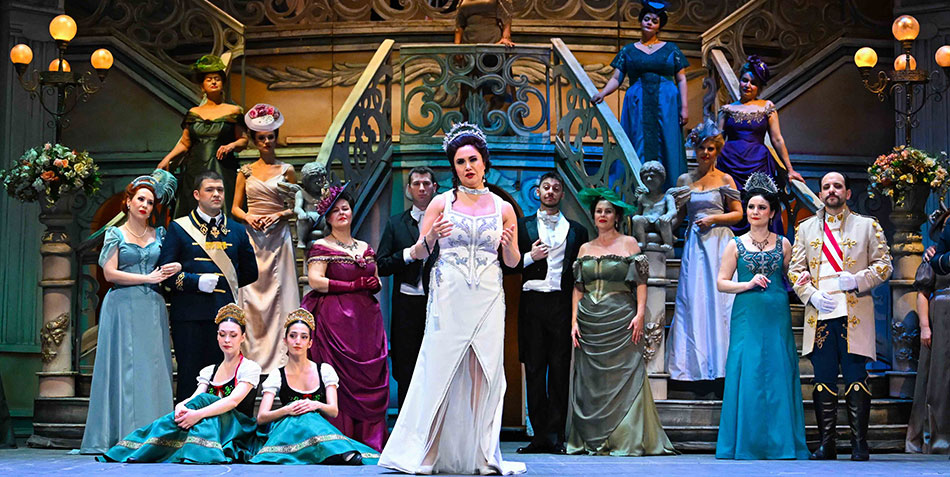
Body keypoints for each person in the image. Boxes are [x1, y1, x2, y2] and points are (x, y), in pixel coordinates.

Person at [379, 122, 524, 474]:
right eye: (460, 162)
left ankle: (482, 454)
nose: (468, 167)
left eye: (473, 159)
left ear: (484, 162)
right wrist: (430, 237)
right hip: (449, 294)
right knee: (440, 368)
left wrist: (508, 246)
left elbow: (512, 262)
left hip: (488, 295)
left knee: (484, 372)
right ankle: (427, 452)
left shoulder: (503, 207)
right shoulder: (441, 203)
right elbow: (418, 252)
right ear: (453, 167)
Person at [788, 171, 892, 461]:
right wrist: (811, 295)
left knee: (856, 378)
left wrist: (858, 280)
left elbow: (885, 265)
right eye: (826, 187)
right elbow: (795, 271)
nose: (831, 190)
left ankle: (859, 444)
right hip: (821, 314)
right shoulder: (805, 228)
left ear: (847, 193)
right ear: (820, 194)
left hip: (853, 312)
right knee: (823, 379)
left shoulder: (867, 225)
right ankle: (827, 444)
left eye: (837, 186)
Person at [566, 187, 675, 457]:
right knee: (592, 381)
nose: (602, 215)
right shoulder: (585, 248)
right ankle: (592, 439)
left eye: (608, 211)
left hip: (621, 318)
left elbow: (641, 282)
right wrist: (574, 321)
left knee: (624, 376)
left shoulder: (629, 243)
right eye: (598, 211)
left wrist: (640, 314)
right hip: (590, 322)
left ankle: (625, 438)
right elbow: (578, 288)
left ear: (616, 216)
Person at [80, 172, 181, 454]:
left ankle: (154, 436)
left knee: (152, 368)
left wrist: (176, 267)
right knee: (124, 367)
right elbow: (109, 273)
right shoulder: (116, 234)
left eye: (149, 202)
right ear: (128, 201)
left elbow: (172, 263)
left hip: (151, 306)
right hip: (123, 305)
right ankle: (123, 435)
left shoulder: (159, 234)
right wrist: (147, 278)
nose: (145, 205)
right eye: (140, 199)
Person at [714, 173, 808, 460]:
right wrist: (748, 284)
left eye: (761, 208)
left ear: (772, 213)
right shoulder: (735, 244)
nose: (755, 212)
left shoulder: (784, 244)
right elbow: (721, 283)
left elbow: (792, 277)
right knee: (749, 371)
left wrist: (803, 279)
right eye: (751, 207)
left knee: (779, 370)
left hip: (776, 313)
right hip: (747, 313)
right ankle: (748, 443)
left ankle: (781, 444)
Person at [101, 304, 262, 464]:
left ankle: (153, 449)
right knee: (196, 407)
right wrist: (181, 406)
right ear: (217, 336)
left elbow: (232, 401)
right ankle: (143, 448)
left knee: (205, 402)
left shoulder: (249, 368)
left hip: (239, 428)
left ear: (242, 337)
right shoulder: (210, 371)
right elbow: (195, 397)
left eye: (233, 335)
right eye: (222, 334)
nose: (227, 340)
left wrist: (198, 414)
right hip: (211, 423)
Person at [157, 170, 259, 403]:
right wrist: (195, 282)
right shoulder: (179, 228)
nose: (216, 194)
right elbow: (164, 274)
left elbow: (250, 273)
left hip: (225, 319)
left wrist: (223, 285)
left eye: (220, 190)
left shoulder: (237, 230)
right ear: (196, 194)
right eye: (210, 190)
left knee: (224, 380)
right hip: (189, 318)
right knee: (189, 379)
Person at [301, 187, 389, 452]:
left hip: (367, 321)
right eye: (336, 210)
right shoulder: (322, 246)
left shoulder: (365, 247)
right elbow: (315, 280)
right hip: (336, 320)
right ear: (328, 217)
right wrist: (352, 286)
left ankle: (371, 440)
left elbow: (377, 281)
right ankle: (340, 438)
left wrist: (374, 284)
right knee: (338, 377)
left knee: (370, 376)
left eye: (345, 208)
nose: (341, 213)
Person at [514, 171, 587, 455]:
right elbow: (507, 264)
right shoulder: (523, 226)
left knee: (559, 370)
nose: (550, 192)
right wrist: (530, 257)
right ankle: (539, 436)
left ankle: (556, 437)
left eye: (556, 188)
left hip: (561, 303)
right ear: (538, 191)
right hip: (532, 303)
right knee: (533, 370)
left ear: (562, 194)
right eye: (546, 187)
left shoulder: (577, 230)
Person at [250, 309, 381, 465]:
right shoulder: (277, 375)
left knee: (309, 414)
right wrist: (288, 409)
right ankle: (337, 453)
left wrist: (315, 405)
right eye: (293, 336)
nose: (297, 341)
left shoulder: (324, 370)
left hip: (318, 430)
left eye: (304, 337)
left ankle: (329, 452)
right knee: (303, 414)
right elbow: (262, 417)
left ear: (310, 343)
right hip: (288, 432)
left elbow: (333, 411)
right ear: (285, 341)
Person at [666, 120, 742, 382]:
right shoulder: (685, 180)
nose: (706, 153)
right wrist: (663, 224)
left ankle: (723, 366)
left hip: (719, 242)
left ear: (716, 151)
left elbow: (738, 214)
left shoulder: (724, 179)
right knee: (694, 298)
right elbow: (679, 216)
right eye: (701, 148)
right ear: (695, 150)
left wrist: (714, 219)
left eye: (710, 148)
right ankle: (692, 368)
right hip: (695, 245)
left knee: (719, 300)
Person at [231, 103, 299, 374]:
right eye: (262, 138)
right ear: (255, 141)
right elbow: (235, 208)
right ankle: (251, 356)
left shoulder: (287, 169)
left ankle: (283, 358)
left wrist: (279, 214)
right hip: (252, 237)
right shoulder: (245, 172)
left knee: (281, 295)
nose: (267, 142)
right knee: (251, 294)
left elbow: (296, 207)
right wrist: (248, 217)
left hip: (278, 238)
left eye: (271, 137)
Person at [592, 1, 688, 190]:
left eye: (654, 21)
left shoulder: (671, 49)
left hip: (666, 103)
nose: (650, 23)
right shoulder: (628, 50)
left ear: (659, 26)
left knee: (667, 143)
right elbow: (616, 78)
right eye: (646, 19)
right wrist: (602, 93)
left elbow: (682, 78)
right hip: (638, 104)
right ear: (640, 21)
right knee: (636, 141)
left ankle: (668, 191)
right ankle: (636, 189)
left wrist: (684, 107)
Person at [717, 55, 803, 234]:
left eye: (753, 83)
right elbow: (717, 141)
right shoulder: (727, 110)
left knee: (760, 204)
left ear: (760, 87)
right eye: (744, 80)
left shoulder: (767, 107)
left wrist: (790, 169)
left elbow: (777, 139)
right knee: (731, 205)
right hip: (729, 165)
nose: (747, 85)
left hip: (757, 164)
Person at [376, 166, 439, 408]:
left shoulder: (446, 223)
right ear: (408, 189)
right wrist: (409, 254)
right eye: (416, 184)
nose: (422, 188)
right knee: (406, 367)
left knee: (437, 365)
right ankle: (405, 422)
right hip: (406, 305)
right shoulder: (395, 224)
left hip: (439, 304)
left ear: (435, 188)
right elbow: (381, 265)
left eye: (426, 183)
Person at [157, 54, 247, 218]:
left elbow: (243, 140)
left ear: (222, 84)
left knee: (222, 209)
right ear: (202, 86)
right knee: (193, 210)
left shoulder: (233, 111)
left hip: (222, 167)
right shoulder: (194, 112)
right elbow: (185, 143)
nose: (213, 82)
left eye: (217, 79)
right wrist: (166, 159)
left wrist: (231, 145)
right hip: (195, 168)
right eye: (209, 79)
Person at [906, 208, 950, 454]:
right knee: (939, 378)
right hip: (942, 319)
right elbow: (923, 292)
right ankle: (937, 436)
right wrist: (925, 326)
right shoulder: (934, 256)